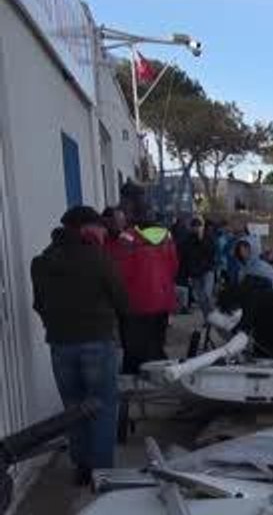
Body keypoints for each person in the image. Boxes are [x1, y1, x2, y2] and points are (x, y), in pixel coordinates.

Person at [31, 207, 129, 483]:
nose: (103, 233)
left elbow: (38, 305)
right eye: (99, 228)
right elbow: (122, 301)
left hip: (60, 344)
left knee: (73, 407)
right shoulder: (99, 258)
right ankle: (102, 472)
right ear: (86, 229)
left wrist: (57, 324)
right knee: (102, 405)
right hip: (97, 341)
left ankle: (82, 467)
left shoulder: (41, 261)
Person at [107, 193, 179, 374]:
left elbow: (120, 273)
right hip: (162, 300)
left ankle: (137, 384)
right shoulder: (167, 236)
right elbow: (174, 267)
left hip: (135, 303)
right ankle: (159, 379)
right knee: (156, 343)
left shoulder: (127, 238)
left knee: (134, 350)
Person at [179, 217, 217, 317]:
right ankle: (207, 318)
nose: (197, 229)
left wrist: (201, 240)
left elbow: (211, 252)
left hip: (207, 270)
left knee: (207, 295)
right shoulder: (187, 240)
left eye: (198, 226)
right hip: (195, 273)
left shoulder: (208, 237)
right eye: (194, 226)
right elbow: (184, 257)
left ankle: (213, 315)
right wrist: (185, 274)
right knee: (201, 298)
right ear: (191, 228)